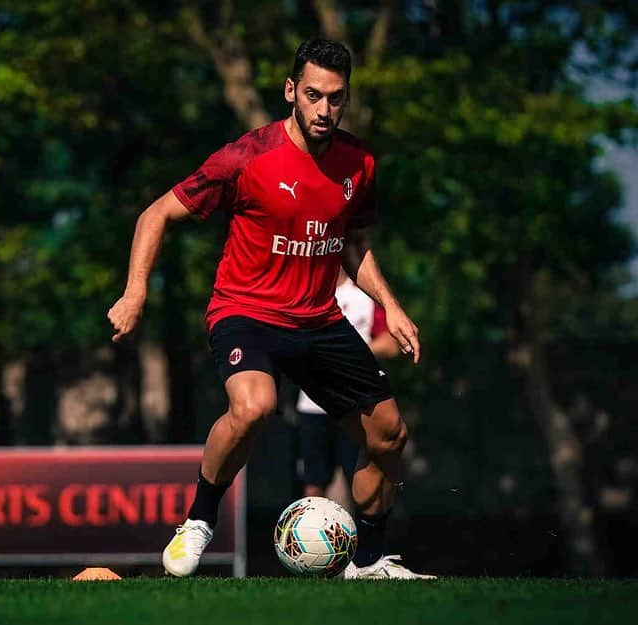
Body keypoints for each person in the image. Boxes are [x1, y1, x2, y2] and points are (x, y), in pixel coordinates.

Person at [107, 38, 433, 579]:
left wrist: (391, 307)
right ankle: (199, 519)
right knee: (254, 406)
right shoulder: (246, 157)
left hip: (320, 320)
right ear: (290, 92)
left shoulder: (360, 162)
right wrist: (135, 292)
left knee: (390, 435)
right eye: (312, 95)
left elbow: (354, 245)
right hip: (247, 311)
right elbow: (155, 214)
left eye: (335, 98)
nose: (324, 110)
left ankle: (371, 561)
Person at [295, 269, 399, 502]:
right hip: (312, 406)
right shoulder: (305, 292)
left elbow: (391, 344)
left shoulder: (365, 295)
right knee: (313, 485)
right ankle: (308, 538)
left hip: (355, 405)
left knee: (362, 482)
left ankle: (365, 537)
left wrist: (349, 352)